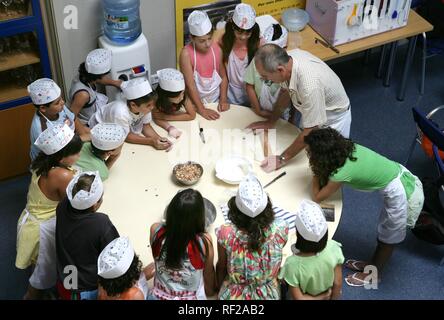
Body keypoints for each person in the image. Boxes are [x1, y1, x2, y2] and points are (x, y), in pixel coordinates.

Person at [304, 128, 424, 286]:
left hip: (401, 193)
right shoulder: (347, 148)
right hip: (399, 172)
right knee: (384, 235)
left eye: (310, 152)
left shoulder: (340, 173)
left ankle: (374, 275)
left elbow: (318, 196)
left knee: (387, 240)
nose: (308, 154)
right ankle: (371, 265)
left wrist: (315, 172)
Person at [247, 44, 352, 173]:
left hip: (333, 118)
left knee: (328, 165)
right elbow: (286, 93)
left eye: (265, 77)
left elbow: (311, 130)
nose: (264, 80)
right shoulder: (288, 60)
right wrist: (271, 121)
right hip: (313, 108)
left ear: (280, 70)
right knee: (307, 156)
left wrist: (282, 158)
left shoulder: (309, 86)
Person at [16, 124, 82, 299]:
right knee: (43, 273)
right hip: (44, 230)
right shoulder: (63, 176)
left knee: (38, 265)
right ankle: (34, 295)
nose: (79, 156)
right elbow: (74, 204)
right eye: (75, 153)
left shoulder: (42, 163)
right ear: (60, 157)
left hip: (31, 221)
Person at [216, 174, 288, 300]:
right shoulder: (280, 229)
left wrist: (218, 287)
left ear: (235, 210)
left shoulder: (225, 233)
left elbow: (221, 266)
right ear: (267, 208)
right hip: (269, 294)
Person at [56, 171, 119, 300]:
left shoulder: (62, 206)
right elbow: (114, 255)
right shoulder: (100, 223)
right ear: (95, 204)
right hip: (84, 289)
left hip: (65, 279)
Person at [149, 189, 216, 300]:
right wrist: (210, 293)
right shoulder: (204, 241)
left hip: (158, 295)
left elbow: (157, 260)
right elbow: (208, 273)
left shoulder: (155, 230)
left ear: (170, 211)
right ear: (200, 218)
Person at [279, 199, 344, 300]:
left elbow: (299, 298)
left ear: (298, 234)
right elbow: (338, 282)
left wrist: (321, 297)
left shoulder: (291, 264)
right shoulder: (333, 247)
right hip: (328, 295)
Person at [89, 78, 172, 151]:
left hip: (124, 126)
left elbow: (146, 126)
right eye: (149, 105)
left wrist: (158, 138)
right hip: (99, 128)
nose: (152, 107)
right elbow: (126, 136)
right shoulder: (120, 112)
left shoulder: (146, 107)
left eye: (153, 104)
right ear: (133, 105)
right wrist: (151, 141)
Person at [179, 10, 229, 120]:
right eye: (202, 41)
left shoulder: (217, 49)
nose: (207, 44)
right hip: (195, 103)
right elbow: (190, 86)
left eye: (209, 38)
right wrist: (201, 109)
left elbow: (224, 77)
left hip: (216, 101)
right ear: (192, 38)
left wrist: (223, 99)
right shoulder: (186, 54)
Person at [244, 23, 293, 120]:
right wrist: (258, 110)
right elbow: (249, 85)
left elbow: (289, 96)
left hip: (282, 114)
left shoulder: (289, 69)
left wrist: (279, 119)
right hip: (260, 109)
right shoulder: (258, 61)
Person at [28, 78, 84, 161]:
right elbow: (57, 157)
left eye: (61, 98)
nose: (63, 102)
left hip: (71, 148)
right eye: (57, 102)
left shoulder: (60, 108)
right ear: (43, 108)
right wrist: (84, 138)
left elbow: (79, 127)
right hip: (52, 160)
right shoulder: (41, 130)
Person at [68, 49, 122, 129]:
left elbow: (100, 79)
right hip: (88, 124)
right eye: (104, 75)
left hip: (93, 112)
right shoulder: (83, 95)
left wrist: (116, 83)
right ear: (99, 75)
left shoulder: (85, 75)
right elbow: (71, 116)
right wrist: (85, 131)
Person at [220, 3, 260, 106]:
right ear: (232, 28)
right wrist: (223, 99)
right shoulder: (224, 41)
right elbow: (223, 73)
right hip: (231, 95)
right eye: (239, 33)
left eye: (247, 33)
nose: (242, 37)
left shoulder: (258, 45)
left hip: (252, 94)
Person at [152, 68, 196, 139]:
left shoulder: (182, 95)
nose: (182, 98)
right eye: (178, 96)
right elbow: (156, 117)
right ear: (166, 96)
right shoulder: (156, 99)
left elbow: (192, 115)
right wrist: (170, 128)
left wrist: (166, 117)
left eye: (182, 93)